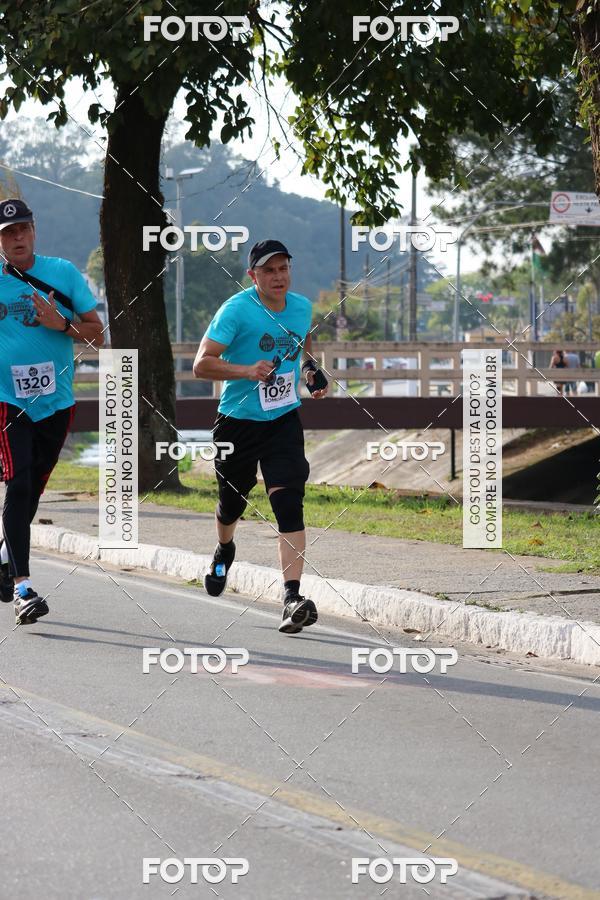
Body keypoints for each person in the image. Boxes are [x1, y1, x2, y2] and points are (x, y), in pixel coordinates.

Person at [193, 239, 328, 634]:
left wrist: (310, 372)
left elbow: (303, 349)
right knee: (231, 503)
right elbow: (202, 365)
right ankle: (224, 549)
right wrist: (247, 370)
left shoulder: (301, 307)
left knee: (289, 502)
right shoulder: (236, 311)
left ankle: (291, 597)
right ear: (253, 276)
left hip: (283, 418)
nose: (278, 276)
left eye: (283, 268)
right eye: (269, 270)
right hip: (237, 422)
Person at [0, 198, 103, 624]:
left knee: (33, 491)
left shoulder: (61, 274)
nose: (17, 238)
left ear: (34, 231)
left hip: (56, 403)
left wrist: (61, 324)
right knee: (18, 483)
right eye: (7, 233)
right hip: (8, 400)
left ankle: (6, 559)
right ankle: (24, 588)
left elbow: (97, 332)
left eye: (23, 229)